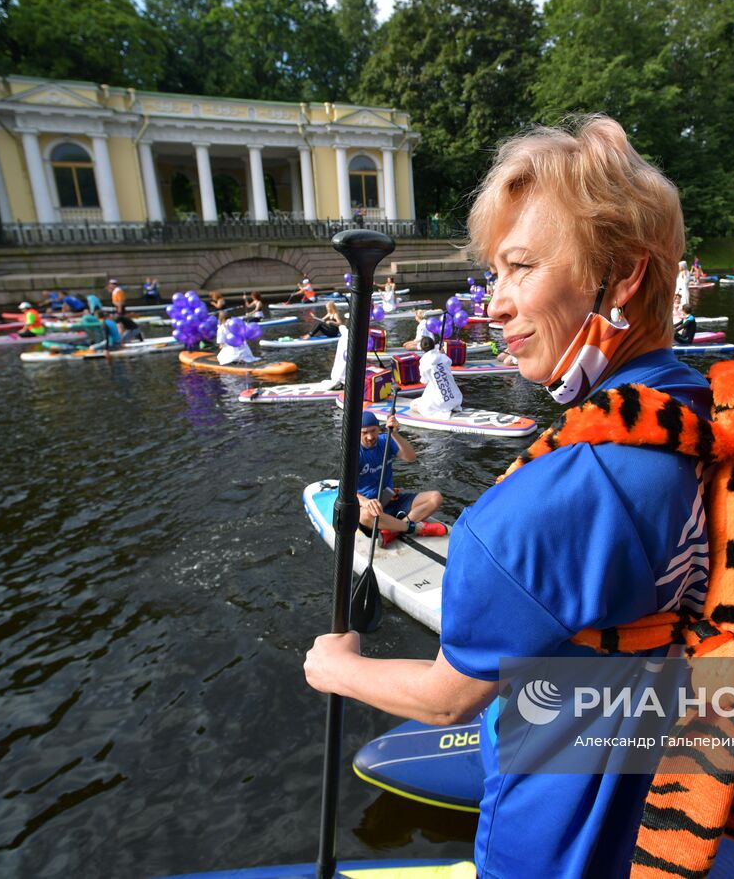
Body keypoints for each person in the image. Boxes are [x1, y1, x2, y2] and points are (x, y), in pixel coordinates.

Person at [304, 114, 712, 877]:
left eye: (521, 267)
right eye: (496, 272)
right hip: (661, 815)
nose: (494, 304)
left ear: (619, 273)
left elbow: (446, 699)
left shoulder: (541, 506)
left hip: (552, 847)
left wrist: (337, 667)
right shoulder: (704, 411)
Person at [354, 410, 447, 546]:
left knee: (436, 498)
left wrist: (395, 434)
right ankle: (413, 527)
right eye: (364, 433)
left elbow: (411, 457)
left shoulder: (386, 440)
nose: (369, 436)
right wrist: (366, 502)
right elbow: (344, 490)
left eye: (373, 431)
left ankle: (393, 530)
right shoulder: (355, 453)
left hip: (390, 499)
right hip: (372, 509)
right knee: (364, 515)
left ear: (379, 428)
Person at [411, 336, 463, 419]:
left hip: (441, 403)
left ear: (422, 348)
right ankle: (451, 406)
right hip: (456, 399)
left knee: (413, 405)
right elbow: (449, 362)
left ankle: (443, 410)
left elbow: (424, 380)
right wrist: (442, 354)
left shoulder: (424, 361)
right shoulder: (442, 356)